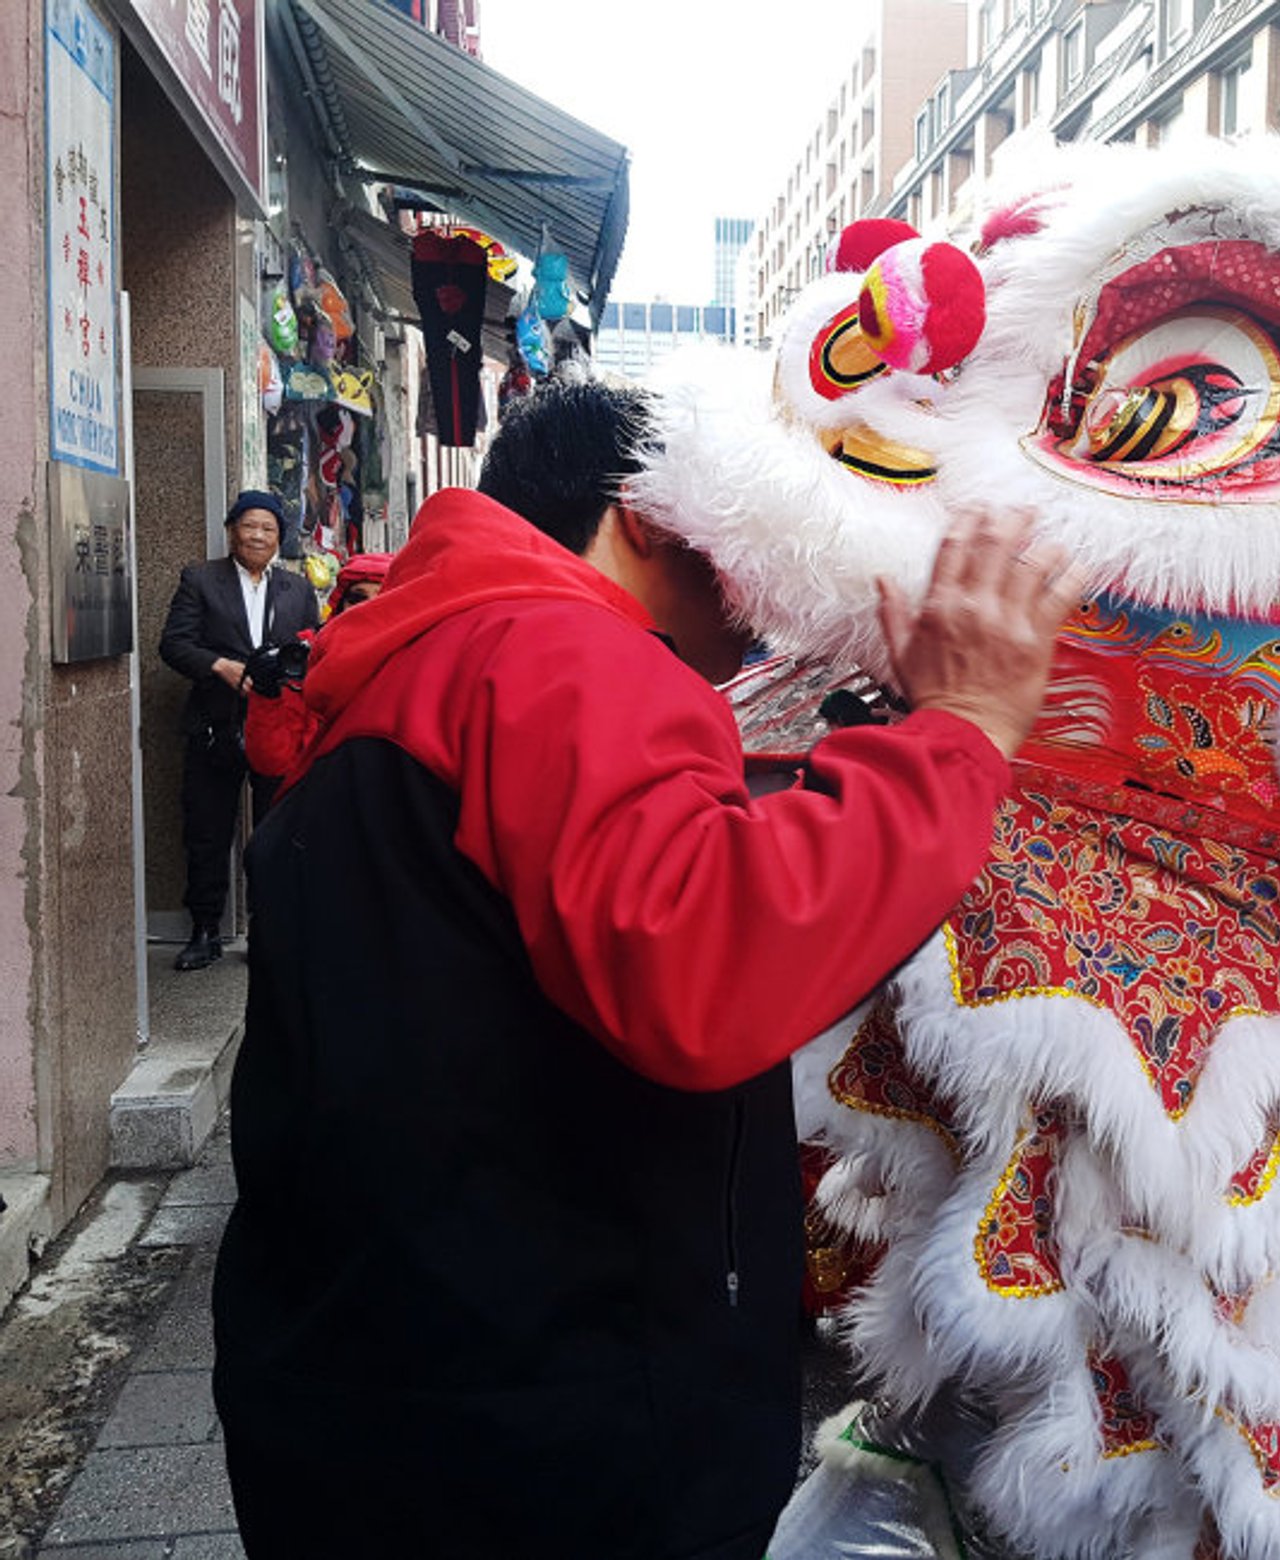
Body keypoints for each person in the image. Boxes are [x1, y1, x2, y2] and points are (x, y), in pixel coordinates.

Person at [209, 379, 1087, 1560]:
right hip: (533, 1437)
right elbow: (708, 962)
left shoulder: (433, 653)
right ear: (648, 512)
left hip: (378, 1384)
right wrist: (965, 728)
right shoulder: (556, 649)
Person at [157, 490, 319, 971]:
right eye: (248, 526)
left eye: (268, 529)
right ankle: (205, 929)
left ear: (279, 538)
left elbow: (311, 650)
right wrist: (220, 666)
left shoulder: (297, 589)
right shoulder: (201, 580)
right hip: (215, 725)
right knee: (207, 829)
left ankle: (266, 930)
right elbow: (173, 644)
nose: (257, 535)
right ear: (232, 530)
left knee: (274, 832)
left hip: (278, 729)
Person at [241, 552, 393, 782]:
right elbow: (273, 761)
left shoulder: (421, 660)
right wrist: (265, 695)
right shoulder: (309, 657)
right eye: (357, 599)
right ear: (341, 604)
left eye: (383, 597)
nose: (368, 608)